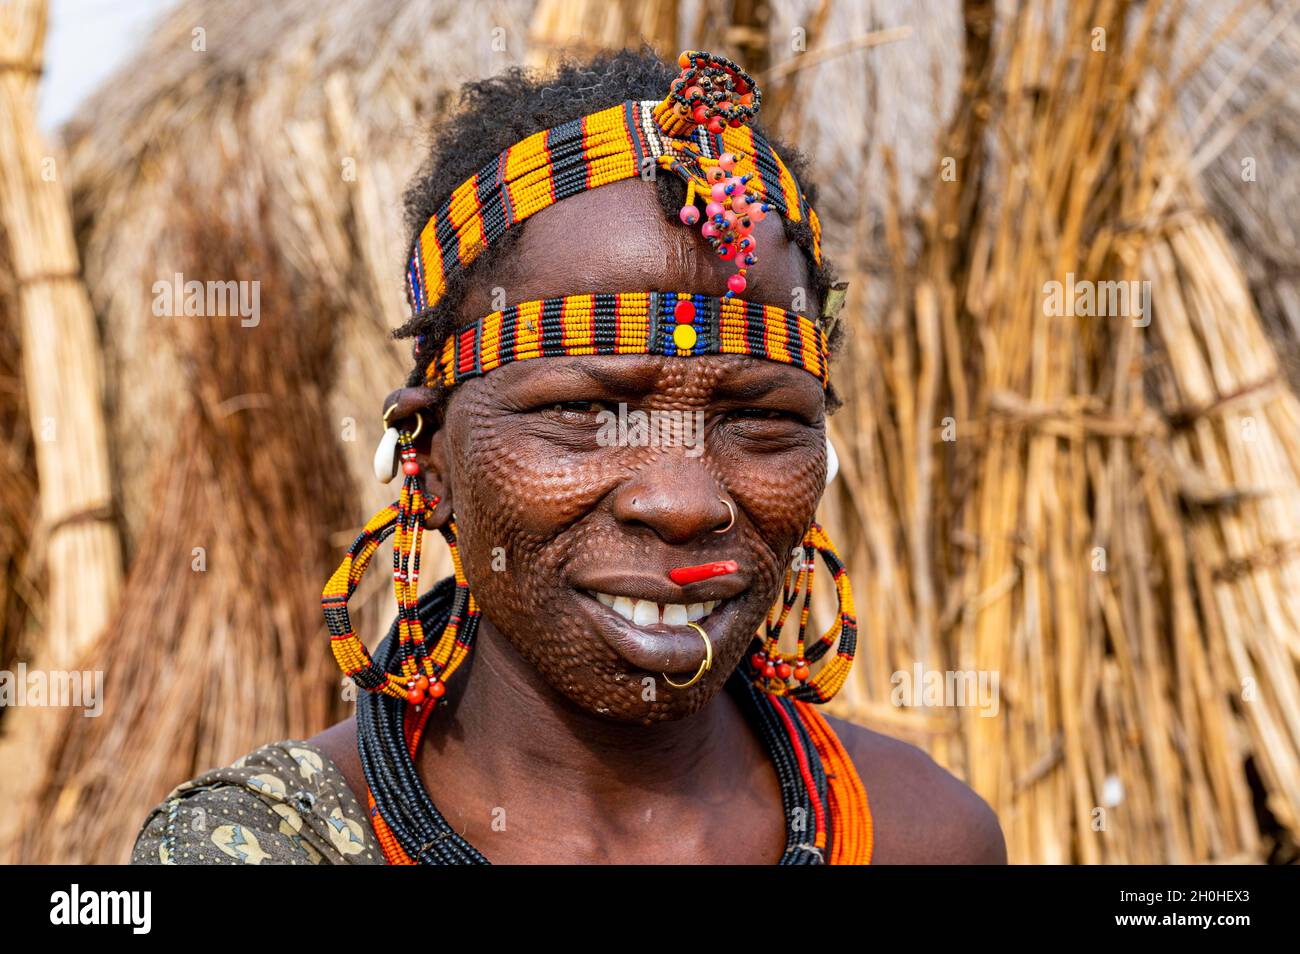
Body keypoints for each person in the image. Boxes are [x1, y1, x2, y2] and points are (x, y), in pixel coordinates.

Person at [132, 47, 1005, 865]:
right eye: (587, 411)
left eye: (755, 419)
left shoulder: (920, 834)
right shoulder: (265, 847)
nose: (683, 501)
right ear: (427, 458)